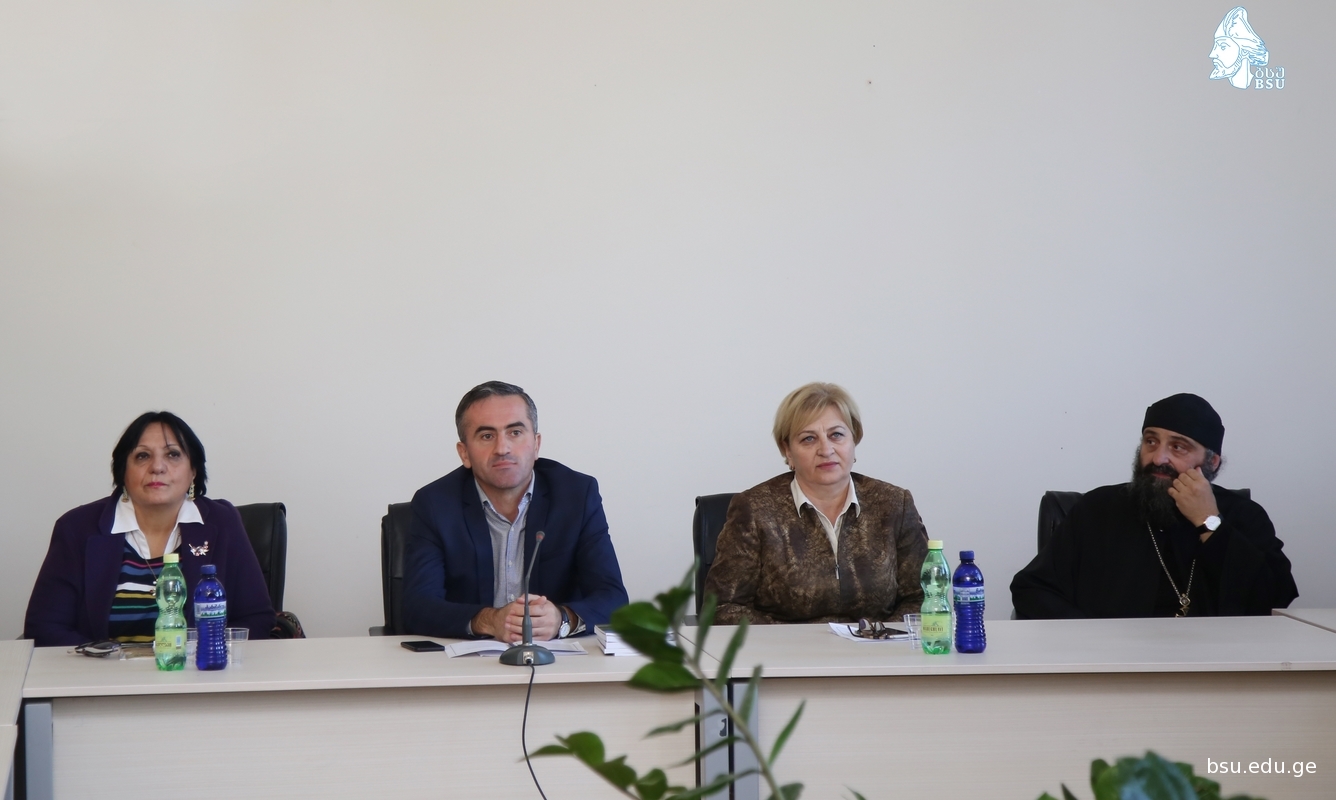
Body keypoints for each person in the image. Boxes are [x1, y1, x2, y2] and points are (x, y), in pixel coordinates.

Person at [1011, 393, 1297, 619]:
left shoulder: (1244, 515)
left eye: (1178, 447)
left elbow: (1273, 600)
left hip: (1216, 666)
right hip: (1113, 666)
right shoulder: (1097, 509)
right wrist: (1092, 641)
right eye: (1151, 441)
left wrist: (1209, 522)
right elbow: (1032, 589)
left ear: (1212, 461)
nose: (1158, 458)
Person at [24, 412, 276, 647]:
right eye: (142, 456)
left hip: (197, 674)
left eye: (173, 454)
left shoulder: (222, 523)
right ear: (123, 471)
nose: (157, 467)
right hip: (103, 676)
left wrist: (201, 658)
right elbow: (45, 627)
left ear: (193, 471)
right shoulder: (78, 529)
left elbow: (255, 618)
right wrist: (107, 663)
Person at [402, 381, 628, 641]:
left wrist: (562, 619)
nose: (502, 448)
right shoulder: (434, 504)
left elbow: (613, 599)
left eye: (515, 432)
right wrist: (490, 621)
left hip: (557, 658)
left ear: (536, 444)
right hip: (467, 658)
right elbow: (417, 607)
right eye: (487, 436)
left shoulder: (577, 495)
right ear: (464, 453)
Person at [705, 383, 929, 625]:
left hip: (876, 645)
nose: (826, 449)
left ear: (854, 439)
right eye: (809, 439)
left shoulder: (894, 504)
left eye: (836, 435)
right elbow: (723, 607)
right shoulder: (754, 509)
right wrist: (795, 640)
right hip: (786, 648)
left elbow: (923, 598)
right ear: (787, 450)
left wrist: (880, 636)